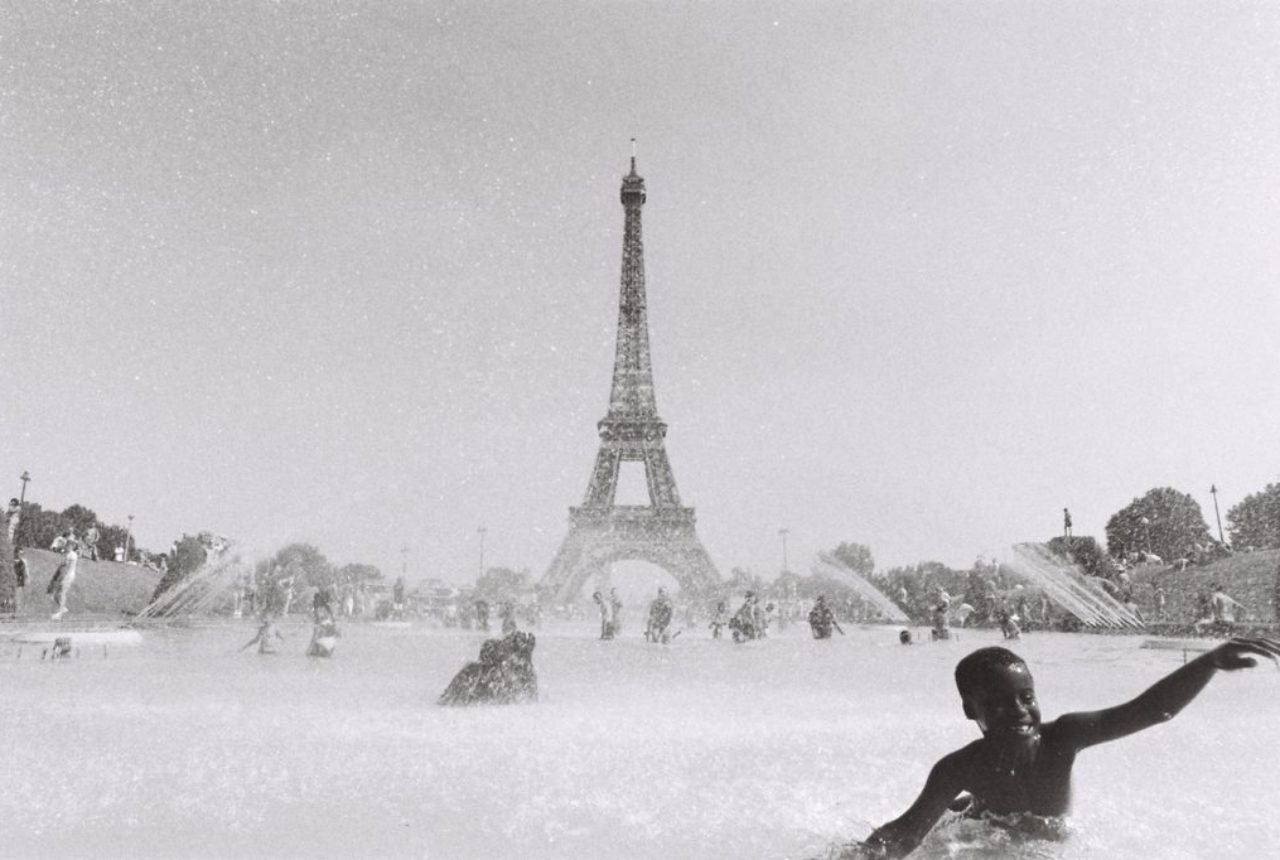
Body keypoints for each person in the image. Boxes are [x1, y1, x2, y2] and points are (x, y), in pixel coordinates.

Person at [855, 639, 1280, 858]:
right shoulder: (959, 767)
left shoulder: (1062, 739)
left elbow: (1152, 711)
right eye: (999, 703)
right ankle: (969, 807)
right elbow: (906, 833)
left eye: (1026, 697)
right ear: (971, 709)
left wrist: (1206, 663)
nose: (1019, 711)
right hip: (986, 836)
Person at [48, 530, 79, 620]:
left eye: (69, 545)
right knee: (56, 595)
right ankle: (63, 609)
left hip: (68, 575)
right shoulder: (67, 554)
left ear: (72, 546)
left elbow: (68, 567)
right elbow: (63, 564)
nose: (67, 546)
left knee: (62, 593)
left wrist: (63, 577)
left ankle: (60, 614)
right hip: (65, 575)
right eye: (67, 545)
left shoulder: (72, 555)